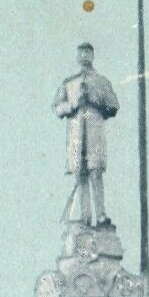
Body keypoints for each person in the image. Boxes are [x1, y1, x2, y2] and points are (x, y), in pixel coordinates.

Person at [52, 42, 119, 225]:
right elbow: (57, 108)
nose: (84, 56)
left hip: (95, 131)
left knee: (95, 172)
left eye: (88, 53)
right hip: (76, 133)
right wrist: (73, 105)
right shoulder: (69, 83)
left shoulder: (101, 82)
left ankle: (101, 214)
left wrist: (95, 102)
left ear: (92, 55)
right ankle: (85, 216)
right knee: (80, 174)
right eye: (81, 53)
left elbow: (113, 106)